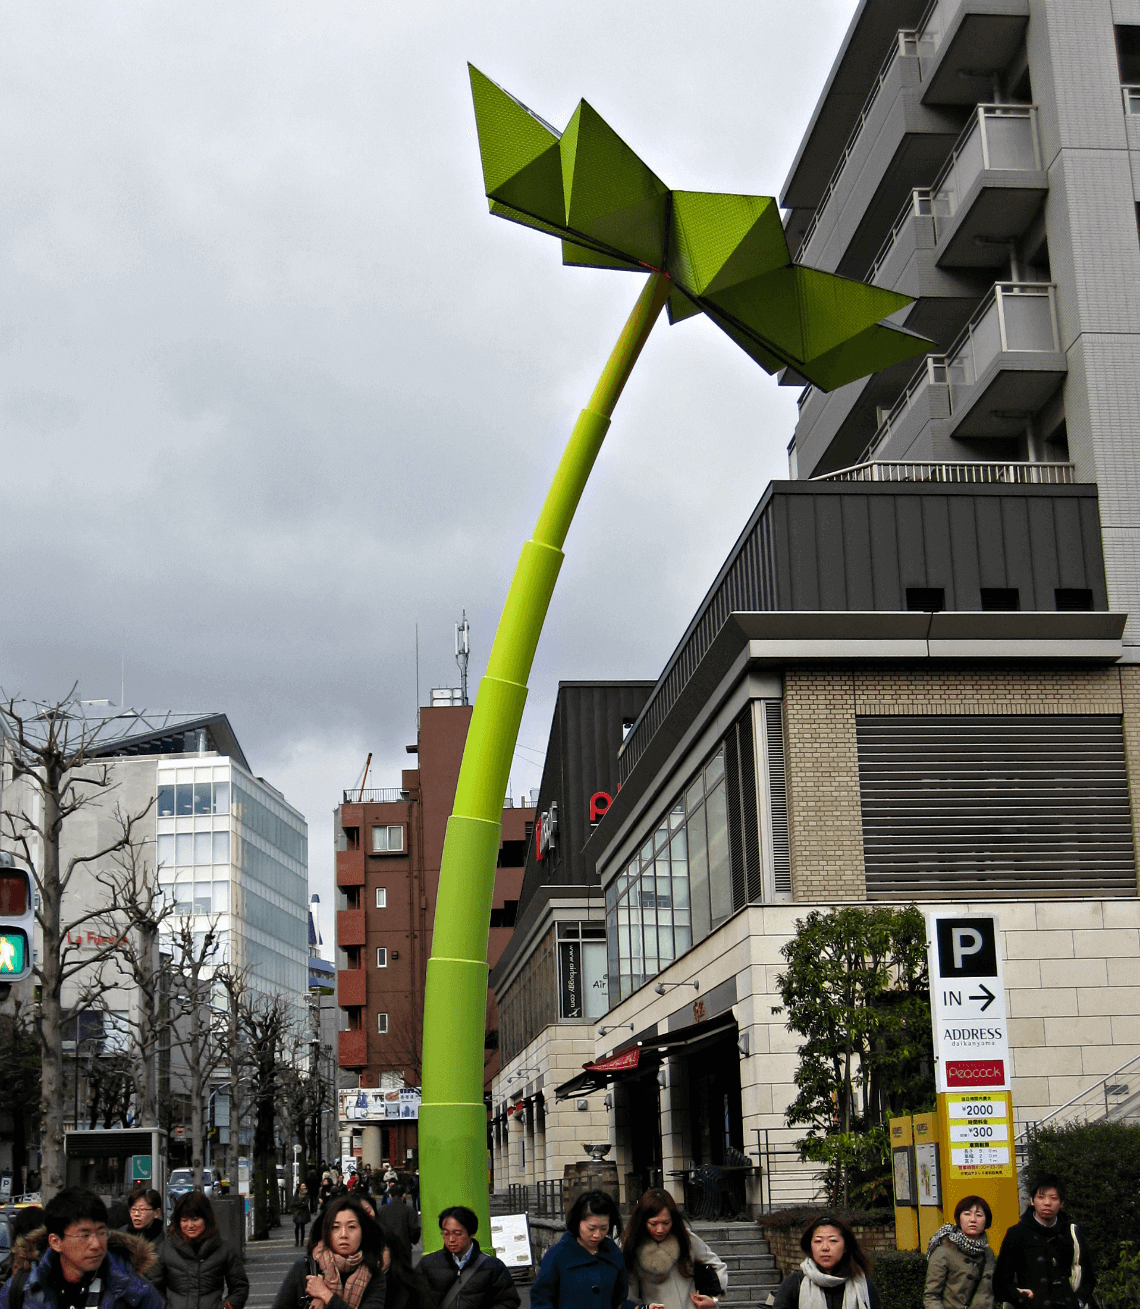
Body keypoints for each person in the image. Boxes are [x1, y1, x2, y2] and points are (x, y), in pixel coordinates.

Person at [0, 1186, 164, 1309]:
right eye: (84, 1235)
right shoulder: (21, 1289)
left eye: (101, 1233)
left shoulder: (135, 1292)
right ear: (56, 1242)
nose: (96, 1245)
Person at [994, 1175, 1095, 1309]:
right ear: (1032, 1201)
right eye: (1041, 1197)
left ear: (1061, 1203)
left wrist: (1079, 1301)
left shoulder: (1072, 1233)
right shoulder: (1016, 1234)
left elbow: (1088, 1277)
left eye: (1053, 1198)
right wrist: (1022, 1299)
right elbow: (1000, 1283)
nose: (1047, 1203)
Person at [272, 1196, 386, 1309]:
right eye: (335, 1227)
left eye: (352, 1227)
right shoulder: (303, 1269)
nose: (343, 1235)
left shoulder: (374, 1275)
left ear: (363, 1231)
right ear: (326, 1232)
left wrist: (325, 1294)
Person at [623, 1188, 728, 1309]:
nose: (660, 1229)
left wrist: (713, 1299)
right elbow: (631, 1297)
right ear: (642, 1221)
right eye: (653, 1223)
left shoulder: (687, 1240)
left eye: (666, 1223)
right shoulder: (633, 1249)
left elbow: (718, 1267)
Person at [529, 1191, 626, 1309]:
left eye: (604, 1228)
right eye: (591, 1228)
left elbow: (620, 1300)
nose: (597, 1234)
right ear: (577, 1222)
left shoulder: (613, 1254)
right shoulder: (557, 1255)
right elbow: (541, 1299)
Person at [156, 1192, 249, 1309]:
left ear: (206, 1219)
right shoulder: (165, 1249)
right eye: (184, 1220)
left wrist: (228, 1306)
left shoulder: (224, 1249)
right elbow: (153, 1287)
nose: (190, 1225)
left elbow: (240, 1286)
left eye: (195, 1219)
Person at [772, 1215, 881, 1309]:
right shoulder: (794, 1283)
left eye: (833, 1241)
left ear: (845, 1247)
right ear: (810, 1246)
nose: (825, 1248)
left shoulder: (863, 1285)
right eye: (818, 1241)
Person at [420, 1206, 519, 1309]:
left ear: (471, 1233)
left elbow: (509, 1301)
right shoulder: (428, 1264)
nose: (451, 1239)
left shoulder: (493, 1267)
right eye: (446, 1234)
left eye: (458, 1234)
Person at [924, 1196, 995, 1309]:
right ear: (959, 1218)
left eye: (979, 1215)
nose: (973, 1219)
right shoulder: (944, 1251)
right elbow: (932, 1296)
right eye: (967, 1214)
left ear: (986, 1220)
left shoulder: (988, 1253)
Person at [374, 1191, 421, 1268]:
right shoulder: (410, 1210)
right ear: (404, 1196)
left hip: (387, 1250)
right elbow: (414, 1233)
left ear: (390, 1196)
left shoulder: (381, 1210)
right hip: (405, 1249)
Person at [292, 1185, 312, 1250]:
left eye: (304, 1186)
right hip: (297, 1213)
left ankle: (301, 1241)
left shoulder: (307, 1194)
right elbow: (293, 1203)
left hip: (303, 1213)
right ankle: (297, 1241)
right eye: (302, 1186)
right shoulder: (296, 1194)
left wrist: (298, 1204)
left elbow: (305, 1204)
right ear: (300, 1187)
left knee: (302, 1227)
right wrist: (301, 1203)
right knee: (297, 1226)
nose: (304, 1187)